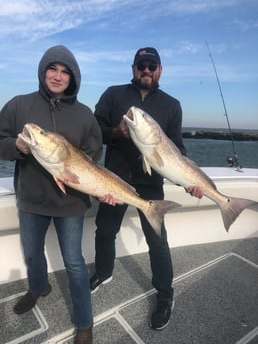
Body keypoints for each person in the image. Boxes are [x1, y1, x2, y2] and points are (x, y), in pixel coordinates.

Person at [0, 45, 109, 344]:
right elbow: (0, 140)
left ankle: (84, 323)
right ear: (43, 71)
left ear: (73, 78)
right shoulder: (18, 105)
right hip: (31, 199)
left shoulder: (86, 115)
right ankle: (38, 287)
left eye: (65, 71)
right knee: (32, 252)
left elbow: (91, 159)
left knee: (74, 262)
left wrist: (102, 190)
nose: (58, 76)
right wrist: (18, 147)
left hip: (71, 202)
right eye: (53, 68)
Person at [90, 47, 203, 331]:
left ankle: (165, 296)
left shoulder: (171, 104)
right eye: (142, 65)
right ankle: (104, 272)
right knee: (105, 230)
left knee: (158, 243)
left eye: (152, 66)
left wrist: (189, 180)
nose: (147, 70)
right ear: (133, 68)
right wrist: (115, 132)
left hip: (151, 184)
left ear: (160, 70)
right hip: (114, 179)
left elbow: (177, 148)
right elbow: (94, 129)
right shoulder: (113, 94)